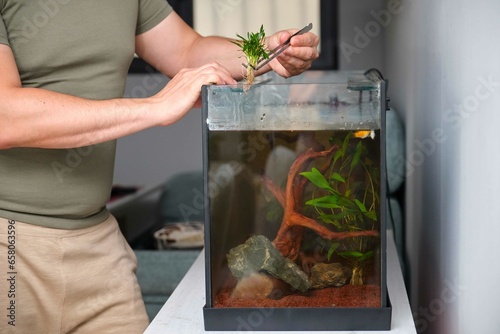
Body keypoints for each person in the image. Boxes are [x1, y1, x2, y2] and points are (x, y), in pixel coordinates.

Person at [0, 0, 319, 333]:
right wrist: (154, 107)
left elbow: (186, 50)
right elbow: (4, 117)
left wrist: (265, 53)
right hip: (10, 243)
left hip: (97, 243)